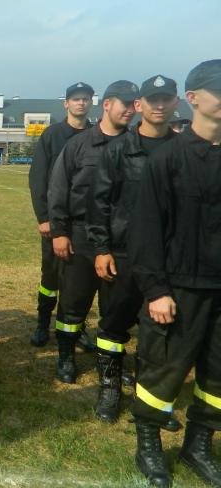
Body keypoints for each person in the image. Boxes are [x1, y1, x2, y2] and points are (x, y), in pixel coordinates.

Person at [130, 60, 221, 488]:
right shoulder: (167, 158)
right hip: (179, 288)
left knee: (218, 375)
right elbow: (146, 230)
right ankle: (148, 444)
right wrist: (156, 290)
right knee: (162, 371)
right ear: (194, 98)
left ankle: (198, 445)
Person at [86, 75, 180, 423]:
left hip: (169, 256)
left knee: (160, 331)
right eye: (152, 100)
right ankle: (110, 388)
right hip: (124, 253)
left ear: (177, 103)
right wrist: (101, 248)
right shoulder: (118, 150)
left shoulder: (183, 150)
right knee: (113, 324)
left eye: (166, 99)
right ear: (139, 106)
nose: (159, 106)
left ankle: (149, 395)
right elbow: (99, 202)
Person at [48, 81, 137, 384]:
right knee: (73, 303)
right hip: (81, 236)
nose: (130, 109)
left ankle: (110, 364)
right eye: (124, 103)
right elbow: (58, 188)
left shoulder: (136, 146)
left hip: (122, 239)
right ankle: (66, 355)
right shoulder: (79, 145)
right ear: (107, 104)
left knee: (117, 308)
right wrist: (60, 232)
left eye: (134, 103)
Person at [28, 83, 94, 347]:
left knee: (81, 282)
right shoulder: (52, 135)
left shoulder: (96, 134)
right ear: (66, 103)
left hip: (86, 224)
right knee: (50, 277)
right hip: (56, 221)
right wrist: (44, 218)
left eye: (85, 99)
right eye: (76, 99)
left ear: (92, 103)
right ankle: (43, 323)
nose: (81, 103)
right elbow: (38, 178)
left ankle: (77, 329)